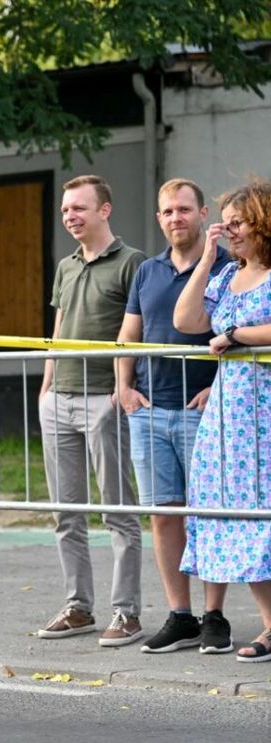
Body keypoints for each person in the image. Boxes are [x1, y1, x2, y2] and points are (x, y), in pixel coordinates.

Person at [116, 179, 233, 654]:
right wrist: (123, 386)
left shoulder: (228, 268)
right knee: (164, 516)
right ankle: (180, 616)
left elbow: (240, 334)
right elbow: (128, 334)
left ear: (203, 214)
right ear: (159, 218)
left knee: (208, 514)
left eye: (184, 210)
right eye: (167, 212)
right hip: (150, 412)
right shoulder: (147, 271)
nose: (175, 218)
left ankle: (214, 616)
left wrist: (216, 388)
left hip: (201, 410)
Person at [38, 175, 146, 647]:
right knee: (66, 512)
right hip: (58, 398)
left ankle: (126, 614)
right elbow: (57, 328)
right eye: (66, 210)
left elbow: (134, 332)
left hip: (103, 398)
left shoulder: (132, 263)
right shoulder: (66, 265)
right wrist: (45, 388)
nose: (70, 217)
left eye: (79, 208)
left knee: (117, 510)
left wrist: (118, 390)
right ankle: (78, 606)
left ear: (105, 210)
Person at [173, 177, 271, 663]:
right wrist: (207, 260)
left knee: (264, 514)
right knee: (235, 513)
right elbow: (187, 321)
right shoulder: (228, 274)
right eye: (225, 223)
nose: (229, 231)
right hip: (229, 414)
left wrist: (237, 335)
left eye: (237, 223)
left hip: (264, 413)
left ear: (263, 221)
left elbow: (239, 333)